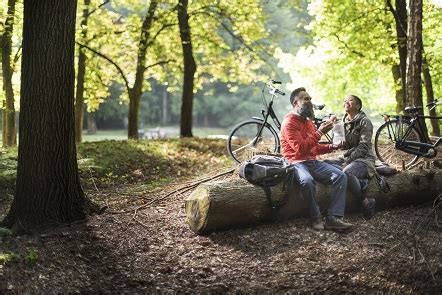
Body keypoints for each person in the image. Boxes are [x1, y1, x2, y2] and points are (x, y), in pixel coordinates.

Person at [280, 87, 353, 231]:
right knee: (307, 181)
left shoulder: (308, 122)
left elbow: (313, 148)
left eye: (310, 99)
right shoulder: (289, 123)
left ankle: (334, 218)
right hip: (296, 163)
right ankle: (315, 217)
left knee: (341, 176)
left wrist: (332, 146)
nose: (310, 101)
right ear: (296, 103)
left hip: (312, 162)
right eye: (306, 99)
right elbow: (300, 149)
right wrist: (319, 132)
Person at [333, 95, 377, 219]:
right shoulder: (343, 121)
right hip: (349, 157)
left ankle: (366, 202)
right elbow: (344, 145)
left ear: (358, 106)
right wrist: (336, 128)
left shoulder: (365, 121)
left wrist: (348, 161)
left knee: (346, 173)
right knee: (327, 164)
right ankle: (361, 183)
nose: (346, 101)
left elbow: (363, 147)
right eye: (344, 100)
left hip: (364, 159)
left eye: (350, 100)